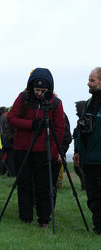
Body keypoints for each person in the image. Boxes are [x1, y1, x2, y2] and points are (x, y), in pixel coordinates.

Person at [7, 68, 65, 228]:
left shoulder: (55, 103)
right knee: (24, 184)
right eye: (37, 89)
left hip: (44, 151)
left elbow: (59, 130)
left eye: (43, 90)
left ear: (50, 89)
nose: (39, 93)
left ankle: (44, 220)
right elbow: (11, 117)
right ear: (31, 87)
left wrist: (53, 152)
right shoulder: (23, 97)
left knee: (44, 186)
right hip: (22, 149)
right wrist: (31, 125)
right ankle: (25, 218)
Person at [73, 67, 101, 235]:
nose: (88, 83)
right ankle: (98, 229)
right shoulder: (90, 103)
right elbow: (81, 129)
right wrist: (77, 151)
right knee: (93, 197)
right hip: (89, 159)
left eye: (92, 80)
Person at [72, 101, 86, 190]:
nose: (76, 110)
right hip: (79, 149)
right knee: (78, 169)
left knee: (81, 169)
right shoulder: (81, 120)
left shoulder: (84, 120)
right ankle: (84, 186)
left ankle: (85, 186)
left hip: (83, 150)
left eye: (77, 108)